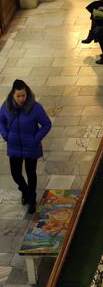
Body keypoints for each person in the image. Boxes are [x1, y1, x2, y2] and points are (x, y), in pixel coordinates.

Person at [0, 80, 51, 214]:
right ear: (13, 94)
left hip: (30, 147)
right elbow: (1, 121)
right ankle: (25, 191)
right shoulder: (6, 106)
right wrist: (6, 135)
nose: (21, 98)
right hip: (14, 146)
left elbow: (47, 124)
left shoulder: (35, 108)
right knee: (16, 174)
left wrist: (35, 139)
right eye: (18, 96)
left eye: (23, 95)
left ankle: (32, 199)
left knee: (30, 173)